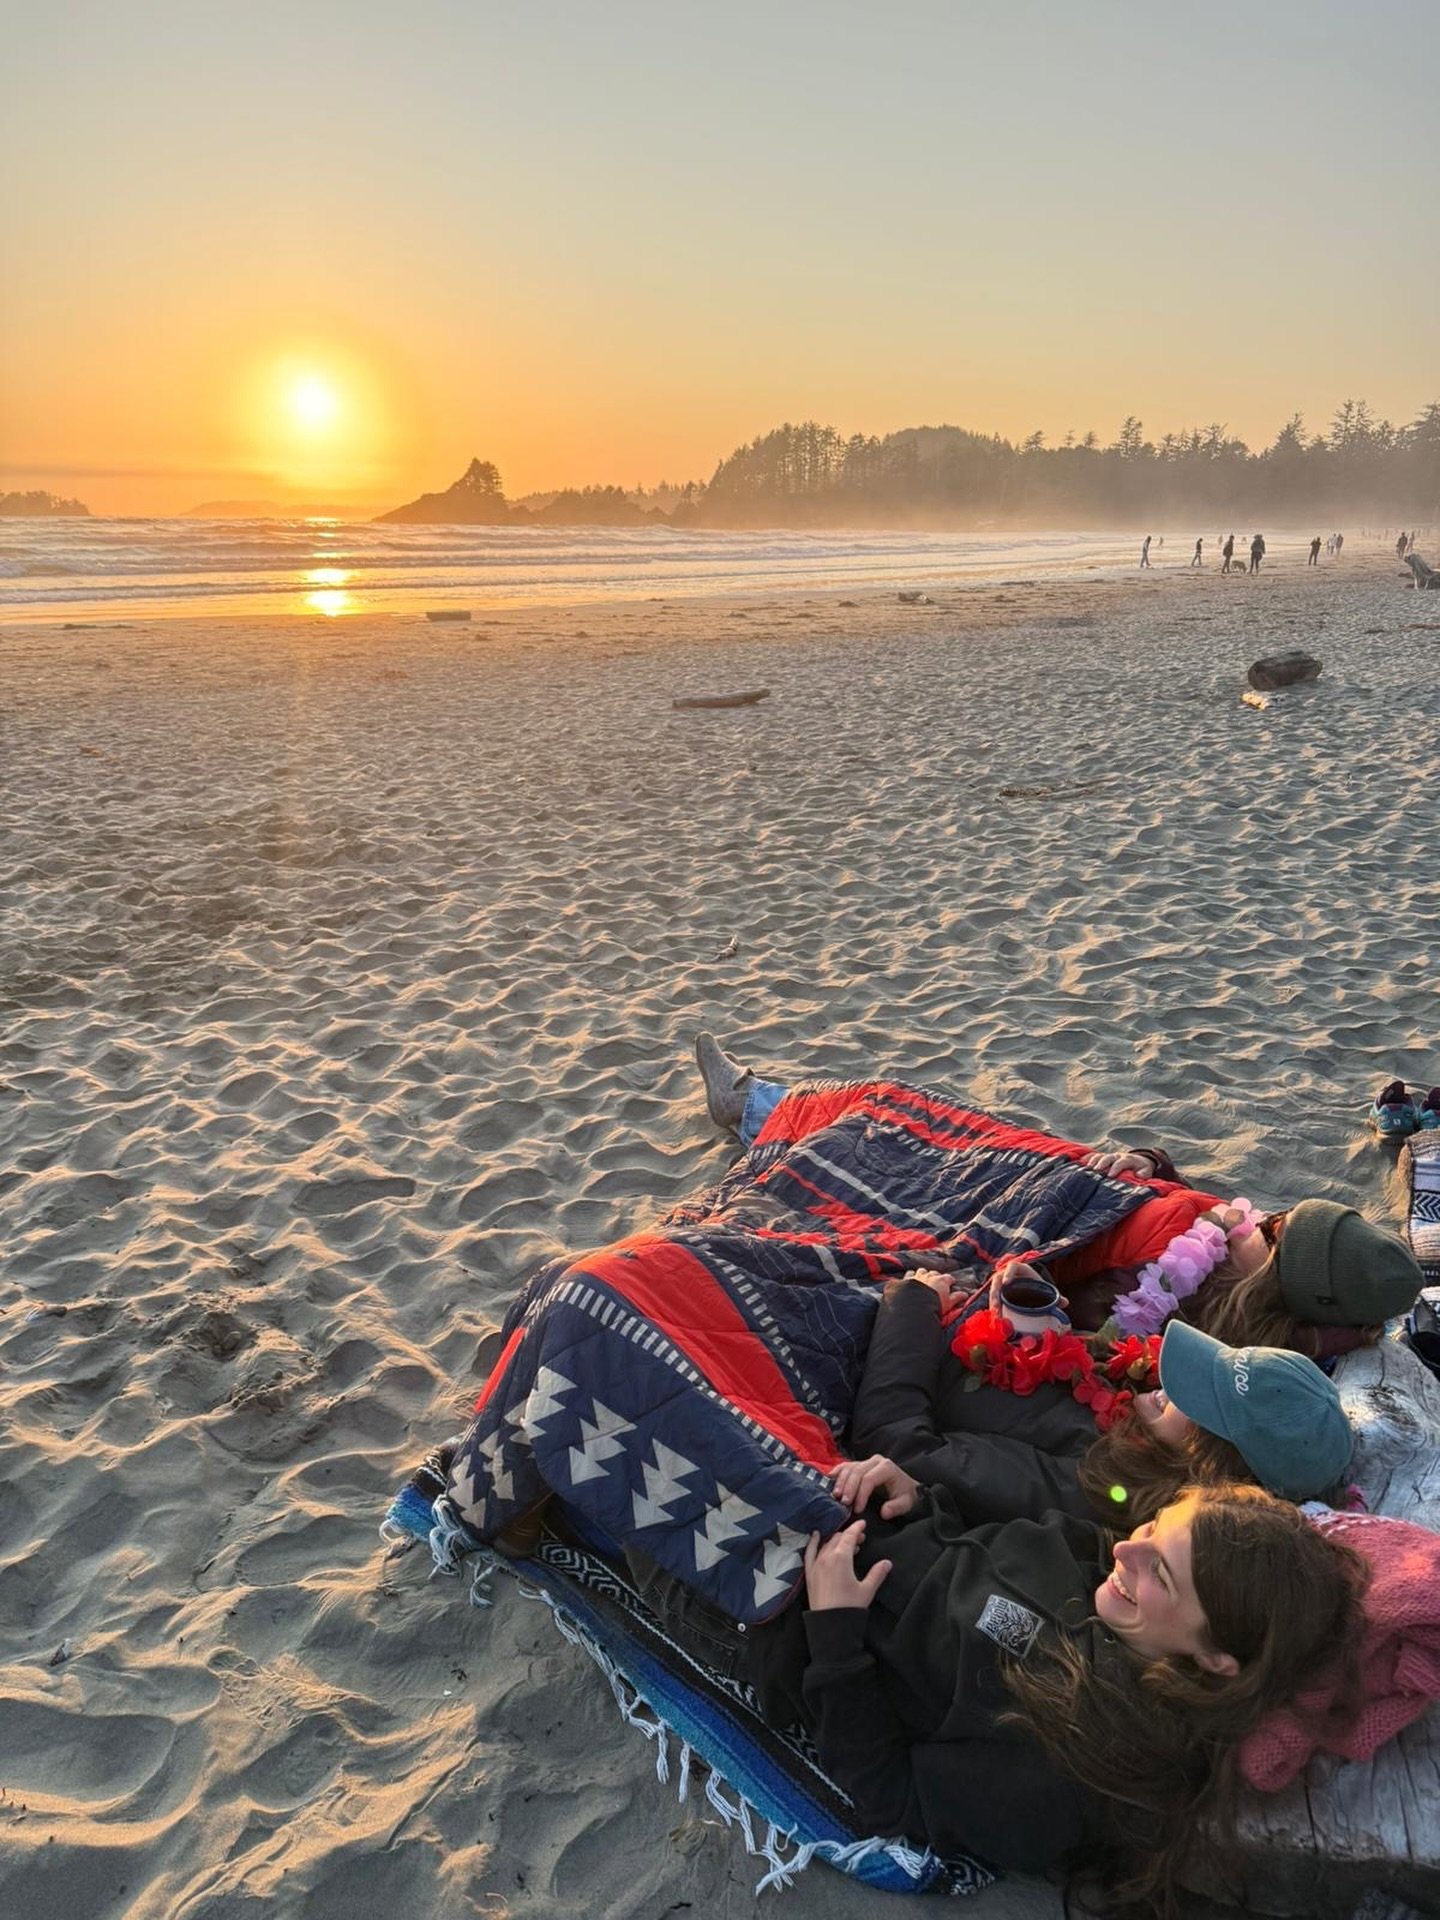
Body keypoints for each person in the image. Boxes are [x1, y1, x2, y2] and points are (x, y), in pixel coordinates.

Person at [640, 1475, 1365, 1911]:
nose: (1126, 1550)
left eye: (1161, 1573)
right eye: (1151, 1528)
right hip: (840, 1523)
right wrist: (922, 1497)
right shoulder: (1107, 1585)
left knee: (627, 1495)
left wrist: (833, 1635)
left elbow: (891, 1796)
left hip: (774, 1626)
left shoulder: (1072, 1760)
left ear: (1215, 1658)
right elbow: (982, 1549)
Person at [693, 1032, 1424, 1357]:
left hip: (1021, 1200)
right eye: (1282, 1216)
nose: (1263, 1218)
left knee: (875, 1130)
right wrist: (1143, 1163)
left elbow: (1038, 1280)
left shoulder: (1165, 1297)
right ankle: (762, 1101)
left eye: (1275, 1231)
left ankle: (754, 1107)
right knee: (902, 1102)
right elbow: (1167, 1192)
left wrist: (1085, 1197)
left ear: (1272, 1279)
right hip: (1073, 1169)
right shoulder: (1228, 1244)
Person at [849, 1288, 1355, 1531]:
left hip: (897, 1365)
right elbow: (1075, 1375)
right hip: (948, 1347)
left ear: (1211, 1463)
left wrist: (910, 1303)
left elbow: (898, 1442)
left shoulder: (1089, 1488)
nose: (1172, 1384)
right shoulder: (1144, 1418)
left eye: (1196, 1397)